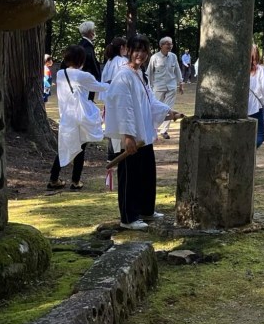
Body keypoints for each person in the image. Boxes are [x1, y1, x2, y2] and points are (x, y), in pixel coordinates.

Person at [104, 34, 182, 230]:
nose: (140, 54)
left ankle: (146, 209)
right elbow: (123, 107)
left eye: (144, 51)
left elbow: (150, 101)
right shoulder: (123, 76)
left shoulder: (139, 74)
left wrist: (168, 112)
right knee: (130, 176)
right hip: (131, 136)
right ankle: (128, 217)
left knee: (146, 174)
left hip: (143, 135)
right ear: (129, 51)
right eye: (136, 50)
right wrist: (127, 136)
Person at [47, 44, 108, 191]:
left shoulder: (61, 73)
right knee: (81, 148)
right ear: (82, 59)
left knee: (64, 146)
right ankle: (75, 181)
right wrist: (113, 83)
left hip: (66, 116)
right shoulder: (84, 76)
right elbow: (99, 87)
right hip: (81, 117)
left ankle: (54, 179)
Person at [146, 36, 184, 139]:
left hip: (171, 86)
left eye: (171, 44)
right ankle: (153, 129)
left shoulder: (173, 56)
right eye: (167, 44)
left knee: (169, 108)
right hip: (158, 87)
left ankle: (164, 131)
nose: (170, 46)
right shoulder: (154, 57)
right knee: (156, 109)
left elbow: (177, 69)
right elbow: (149, 73)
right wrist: (148, 87)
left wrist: (181, 82)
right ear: (161, 45)